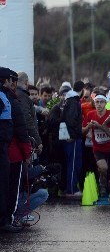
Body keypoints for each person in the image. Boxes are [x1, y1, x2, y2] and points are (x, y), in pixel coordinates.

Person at [0, 67, 30, 233]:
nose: (14, 83)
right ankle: (6, 220)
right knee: (10, 188)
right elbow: (21, 129)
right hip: (11, 152)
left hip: (6, 149)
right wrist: (27, 152)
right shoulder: (9, 98)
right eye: (13, 80)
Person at [82, 94, 110, 198]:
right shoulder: (90, 114)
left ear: (106, 104)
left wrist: (100, 127)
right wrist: (89, 126)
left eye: (101, 102)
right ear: (94, 103)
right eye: (97, 102)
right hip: (98, 148)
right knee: (103, 168)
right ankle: (102, 185)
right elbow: (82, 131)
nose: (99, 104)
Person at [61, 81, 84, 197]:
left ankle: (70, 188)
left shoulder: (68, 100)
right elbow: (70, 120)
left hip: (69, 136)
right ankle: (71, 189)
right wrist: (73, 136)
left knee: (72, 163)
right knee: (74, 164)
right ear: (82, 90)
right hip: (73, 139)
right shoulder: (74, 101)